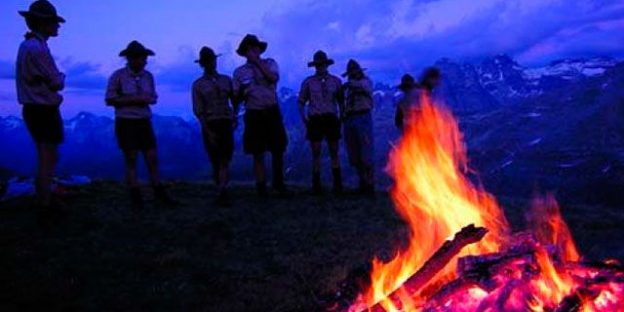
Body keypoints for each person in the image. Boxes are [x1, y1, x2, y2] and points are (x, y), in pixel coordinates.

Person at [105, 41, 176, 208]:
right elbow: (109, 99)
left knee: (152, 157)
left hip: (144, 121)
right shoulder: (118, 76)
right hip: (126, 121)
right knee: (131, 159)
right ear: (131, 59)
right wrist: (135, 99)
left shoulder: (148, 76)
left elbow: (153, 97)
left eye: (145, 58)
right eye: (142, 58)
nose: (145, 61)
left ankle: (158, 192)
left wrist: (146, 99)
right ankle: (136, 196)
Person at [16, 0, 66, 213]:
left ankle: (45, 196)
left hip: (34, 108)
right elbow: (56, 82)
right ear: (43, 23)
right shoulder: (37, 49)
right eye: (54, 22)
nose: (58, 26)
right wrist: (61, 76)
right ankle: (45, 205)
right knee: (49, 156)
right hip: (42, 109)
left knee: (45, 155)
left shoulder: (29, 46)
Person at [232, 34, 289, 197]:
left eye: (255, 48)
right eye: (249, 49)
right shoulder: (239, 72)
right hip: (253, 113)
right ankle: (261, 187)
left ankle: (278, 184)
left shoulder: (270, 63)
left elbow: (273, 78)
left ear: (259, 49)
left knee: (278, 148)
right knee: (257, 152)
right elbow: (236, 97)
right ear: (244, 52)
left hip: (271, 110)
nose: (253, 51)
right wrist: (241, 94)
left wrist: (257, 63)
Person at [192, 47, 237, 205]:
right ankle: (221, 187)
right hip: (211, 123)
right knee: (215, 158)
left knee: (225, 156)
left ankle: (222, 189)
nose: (212, 63)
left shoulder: (226, 80)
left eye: (213, 60)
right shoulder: (198, 85)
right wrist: (207, 129)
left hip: (225, 121)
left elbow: (235, 99)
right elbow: (199, 110)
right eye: (209, 61)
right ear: (203, 64)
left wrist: (234, 116)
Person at [298, 50, 344, 194]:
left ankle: (337, 185)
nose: (320, 67)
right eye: (318, 65)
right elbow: (301, 101)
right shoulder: (308, 82)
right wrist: (304, 118)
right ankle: (316, 185)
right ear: (315, 66)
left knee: (334, 151)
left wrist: (341, 116)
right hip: (315, 119)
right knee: (316, 152)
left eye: (322, 64)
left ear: (326, 65)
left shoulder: (336, 81)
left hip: (331, 118)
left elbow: (341, 101)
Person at [342, 59, 375, 196]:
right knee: (354, 152)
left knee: (366, 152)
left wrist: (349, 84)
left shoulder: (365, 82)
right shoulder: (348, 88)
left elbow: (365, 87)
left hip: (363, 117)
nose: (352, 75)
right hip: (349, 118)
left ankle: (370, 184)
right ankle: (362, 182)